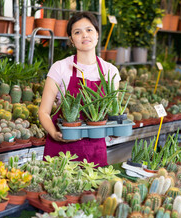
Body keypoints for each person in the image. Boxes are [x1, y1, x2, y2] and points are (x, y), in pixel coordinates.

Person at [38, 12, 120, 166]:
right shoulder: (60, 68)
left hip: (95, 151)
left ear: (97, 34)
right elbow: (43, 112)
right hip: (62, 150)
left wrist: (114, 131)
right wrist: (54, 134)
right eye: (77, 32)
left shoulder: (110, 71)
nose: (84, 35)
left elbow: (112, 114)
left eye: (89, 30)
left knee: (92, 189)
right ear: (71, 39)